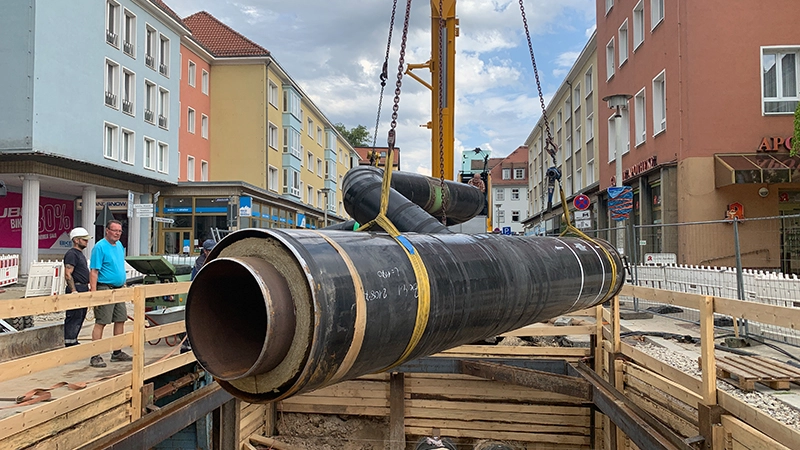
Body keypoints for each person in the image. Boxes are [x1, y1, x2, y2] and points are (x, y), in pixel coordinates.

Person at [88, 219, 132, 368]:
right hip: (104, 287)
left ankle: (117, 351)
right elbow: (94, 271)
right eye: (114, 231)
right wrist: (94, 294)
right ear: (107, 230)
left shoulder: (119, 245)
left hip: (118, 288)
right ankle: (95, 354)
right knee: (102, 321)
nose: (117, 234)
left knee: (121, 318)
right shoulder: (99, 247)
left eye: (119, 231)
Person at [63, 227, 92, 347]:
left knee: (80, 316)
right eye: (84, 239)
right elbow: (68, 273)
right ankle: (69, 342)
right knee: (74, 316)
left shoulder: (79, 254)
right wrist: (73, 290)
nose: (86, 242)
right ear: (76, 240)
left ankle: (73, 340)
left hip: (83, 288)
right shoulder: (71, 254)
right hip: (77, 288)